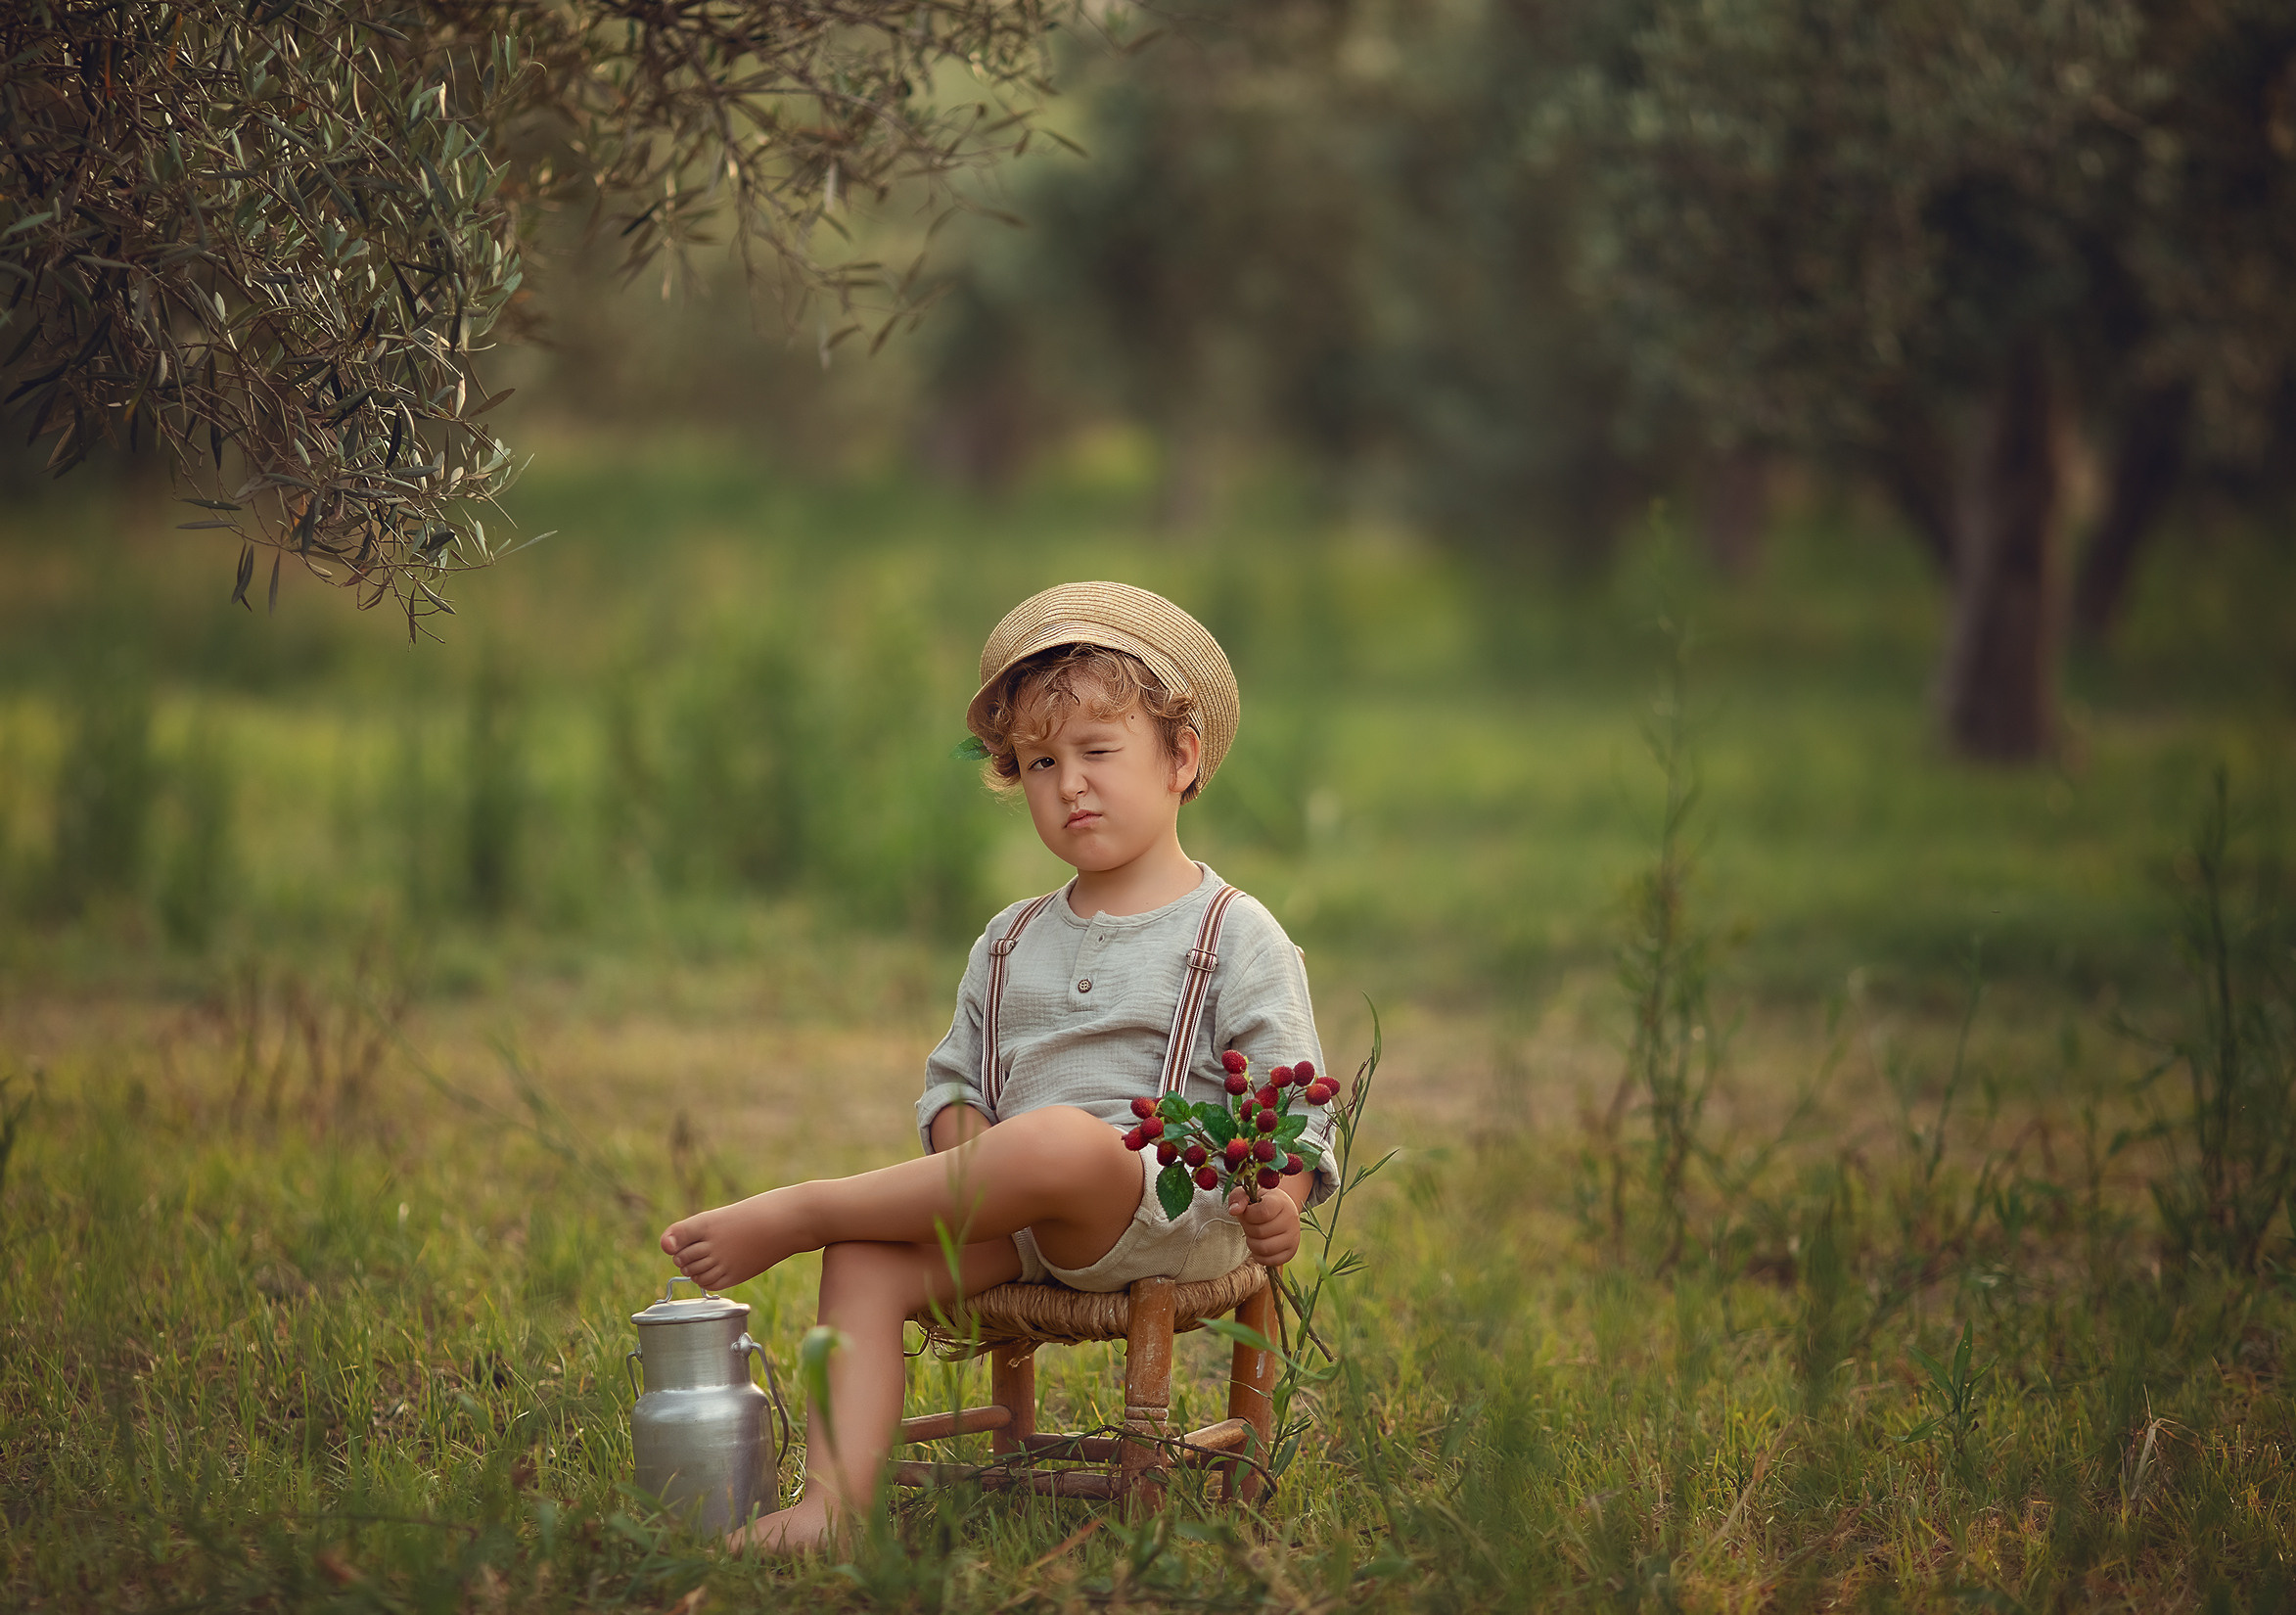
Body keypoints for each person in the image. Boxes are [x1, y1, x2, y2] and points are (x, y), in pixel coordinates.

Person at [659, 580, 1330, 1553]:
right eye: (1041, 762)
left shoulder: (1235, 932)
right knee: (867, 1261)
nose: (1070, 785)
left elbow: (1289, 1098)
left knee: (1057, 1137)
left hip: (1173, 1213)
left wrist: (1285, 1194)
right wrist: (972, 1154)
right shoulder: (1010, 939)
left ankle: (809, 1209)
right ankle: (833, 1507)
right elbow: (957, 1085)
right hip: (1024, 1223)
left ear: (1182, 757)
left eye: (1099, 752)